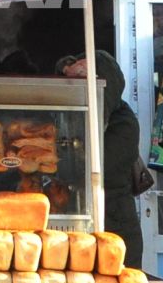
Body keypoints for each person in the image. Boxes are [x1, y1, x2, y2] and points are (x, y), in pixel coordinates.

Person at [57, 49, 149, 268]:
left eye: (84, 79)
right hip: (80, 221)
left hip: (115, 226)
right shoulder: (75, 115)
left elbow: (94, 168)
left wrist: (56, 158)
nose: (79, 86)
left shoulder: (123, 121)